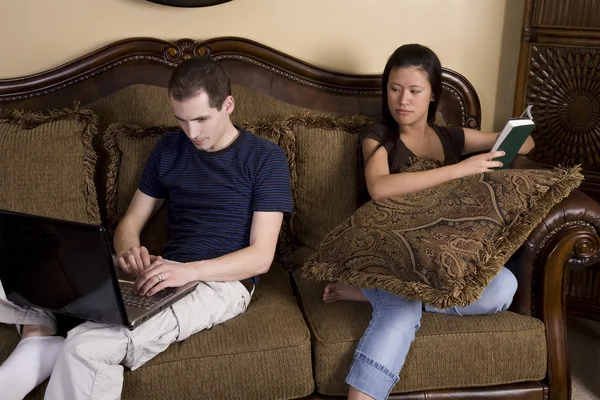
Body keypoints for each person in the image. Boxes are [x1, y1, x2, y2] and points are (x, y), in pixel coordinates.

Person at [0, 56, 292, 400]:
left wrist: (186, 271)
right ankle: (41, 335)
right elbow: (129, 226)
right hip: (161, 274)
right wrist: (130, 253)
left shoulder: (265, 158)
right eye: (181, 120)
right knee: (16, 275)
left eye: (201, 119)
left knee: (86, 346)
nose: (192, 133)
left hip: (220, 284)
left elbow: (260, 258)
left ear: (227, 105)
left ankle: (41, 342)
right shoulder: (169, 149)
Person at [321, 44, 534, 400]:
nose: (402, 100)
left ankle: (365, 294)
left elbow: (526, 144)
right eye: (394, 88)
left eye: (414, 91)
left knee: (503, 287)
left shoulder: (449, 136)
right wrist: (462, 168)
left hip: (437, 254)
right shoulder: (378, 136)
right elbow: (380, 188)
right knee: (400, 307)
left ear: (433, 94)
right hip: (386, 248)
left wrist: (513, 134)